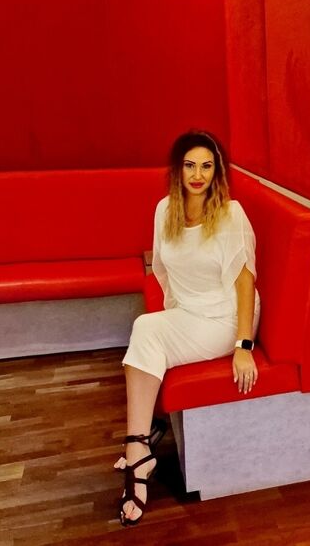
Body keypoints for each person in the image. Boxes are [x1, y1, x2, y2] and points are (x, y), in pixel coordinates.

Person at [117, 129, 260, 526]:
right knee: (146, 330)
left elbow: (245, 282)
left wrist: (243, 345)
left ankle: (137, 454)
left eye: (207, 167)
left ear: (217, 172)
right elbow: (163, 270)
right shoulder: (165, 210)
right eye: (190, 166)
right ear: (178, 170)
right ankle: (138, 448)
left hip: (226, 317)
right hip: (189, 310)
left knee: (147, 332)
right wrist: (174, 316)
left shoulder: (231, 214)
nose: (198, 175)